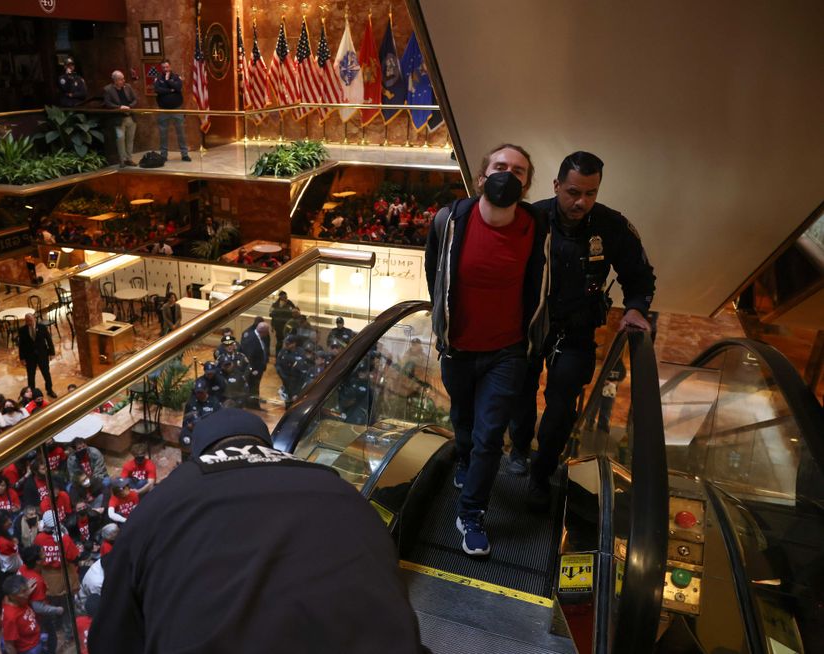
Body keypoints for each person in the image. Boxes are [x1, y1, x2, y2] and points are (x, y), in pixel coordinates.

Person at [89, 409, 423, 653]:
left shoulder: (159, 504)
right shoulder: (337, 488)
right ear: (266, 444)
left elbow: (110, 640)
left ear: (199, 452)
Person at [509, 151, 655, 511]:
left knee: (560, 410)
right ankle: (517, 449)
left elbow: (639, 275)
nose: (581, 202)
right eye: (574, 192)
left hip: (576, 331)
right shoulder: (530, 218)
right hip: (528, 326)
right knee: (519, 395)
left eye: (590, 194)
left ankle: (541, 475)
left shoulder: (611, 225)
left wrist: (636, 308)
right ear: (557, 185)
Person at [424, 143, 544, 556]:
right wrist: (444, 323)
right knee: (463, 416)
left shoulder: (536, 227)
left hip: (506, 351)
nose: (507, 174)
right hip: (458, 346)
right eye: (499, 166)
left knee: (490, 434)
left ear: (527, 184)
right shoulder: (450, 221)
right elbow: (433, 273)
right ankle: (462, 458)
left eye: (518, 170)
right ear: (481, 176)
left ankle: (471, 514)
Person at [153, 59, 190, 162]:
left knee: (181, 133)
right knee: (163, 133)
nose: (165, 69)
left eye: (167, 67)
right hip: (163, 110)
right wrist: (170, 90)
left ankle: (184, 154)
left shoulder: (176, 77)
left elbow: (178, 87)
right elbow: (157, 90)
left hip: (177, 109)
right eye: (163, 67)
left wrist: (168, 80)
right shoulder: (158, 78)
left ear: (170, 67)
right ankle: (164, 155)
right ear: (161, 68)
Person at [103, 70, 138, 167]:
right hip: (118, 120)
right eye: (121, 79)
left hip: (130, 117)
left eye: (123, 79)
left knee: (130, 139)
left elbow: (135, 99)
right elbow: (108, 103)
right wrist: (119, 107)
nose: (123, 81)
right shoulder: (108, 89)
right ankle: (122, 160)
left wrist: (130, 106)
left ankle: (129, 159)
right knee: (120, 139)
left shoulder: (128, 87)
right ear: (115, 80)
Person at [17, 314, 57, 399]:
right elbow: (21, 345)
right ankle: (32, 393)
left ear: (34, 319)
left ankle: (49, 390)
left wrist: (52, 353)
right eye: (27, 321)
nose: (29, 322)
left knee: (46, 373)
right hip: (30, 356)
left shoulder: (42, 327)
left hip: (42, 354)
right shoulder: (22, 330)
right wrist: (22, 358)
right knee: (31, 376)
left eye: (30, 320)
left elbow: (49, 340)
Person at [0, 575, 41, 654]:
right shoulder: (10, 617)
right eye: (23, 592)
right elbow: (9, 645)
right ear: (12, 595)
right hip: (27, 648)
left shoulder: (13, 599)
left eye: (26, 589)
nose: (27, 593)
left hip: (33, 638)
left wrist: (24, 589)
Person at [240, 321, 270, 408]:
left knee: (255, 387)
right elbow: (249, 356)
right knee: (253, 387)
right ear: (263, 331)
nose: (268, 333)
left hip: (258, 369)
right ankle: (253, 405)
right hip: (254, 371)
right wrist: (252, 369)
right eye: (267, 331)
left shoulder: (258, 336)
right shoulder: (252, 339)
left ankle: (254, 403)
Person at [268, 291, 297, 355]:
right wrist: (272, 326)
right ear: (280, 297)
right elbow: (271, 315)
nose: (286, 299)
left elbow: (295, 312)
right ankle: (278, 355)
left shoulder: (290, 303)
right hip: (278, 327)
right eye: (284, 297)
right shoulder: (275, 304)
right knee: (279, 342)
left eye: (286, 297)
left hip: (288, 327)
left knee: (288, 341)